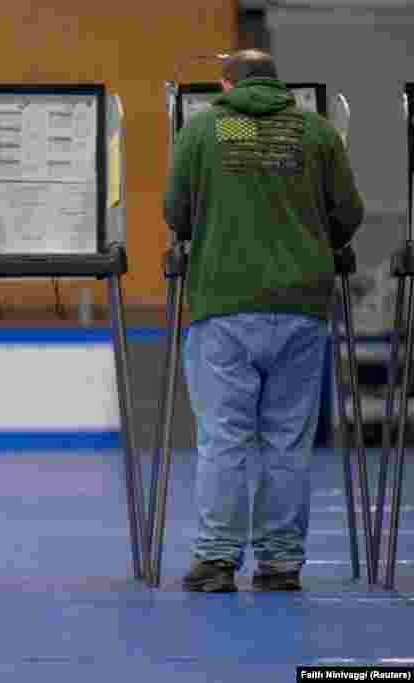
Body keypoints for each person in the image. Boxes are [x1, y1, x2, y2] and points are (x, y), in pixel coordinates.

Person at [164, 50, 364, 592]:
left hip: (224, 306)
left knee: (225, 438)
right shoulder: (316, 132)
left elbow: (176, 214)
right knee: (286, 441)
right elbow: (348, 214)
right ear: (278, 83)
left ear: (227, 83)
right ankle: (279, 564)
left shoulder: (205, 129)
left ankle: (217, 561)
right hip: (301, 307)